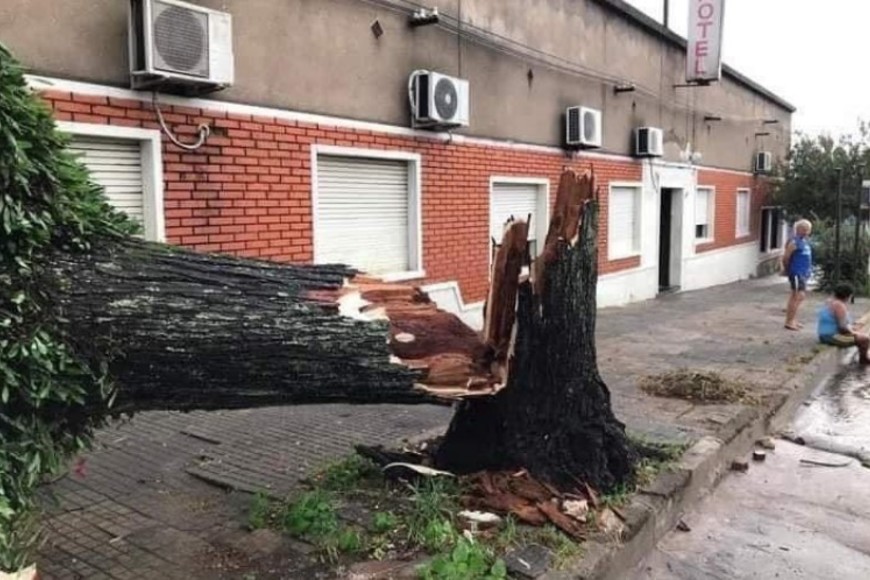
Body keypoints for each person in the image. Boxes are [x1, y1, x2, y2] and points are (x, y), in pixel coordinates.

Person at [817, 283, 870, 364]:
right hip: (831, 336)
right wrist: (855, 333)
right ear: (848, 296)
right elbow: (842, 328)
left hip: (824, 334)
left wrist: (852, 328)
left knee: (859, 333)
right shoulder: (839, 305)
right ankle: (863, 360)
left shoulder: (830, 301)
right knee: (864, 339)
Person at [782, 219, 813, 331]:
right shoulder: (794, 242)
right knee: (797, 296)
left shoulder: (804, 241)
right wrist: (787, 270)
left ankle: (793, 319)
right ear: (798, 229)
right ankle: (789, 322)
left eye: (808, 229)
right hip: (796, 273)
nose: (806, 232)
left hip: (803, 273)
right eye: (804, 229)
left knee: (799, 296)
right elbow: (786, 257)